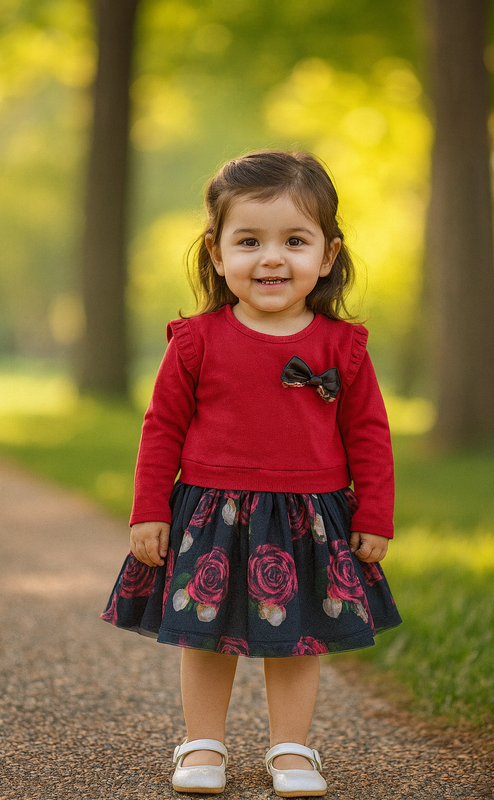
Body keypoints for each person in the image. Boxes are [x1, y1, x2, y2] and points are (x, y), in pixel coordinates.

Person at [101, 150, 401, 797]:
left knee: (298, 639)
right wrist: (149, 509)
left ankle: (291, 750)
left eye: (294, 240)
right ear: (216, 253)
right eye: (248, 241)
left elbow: (368, 436)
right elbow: (162, 429)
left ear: (326, 255)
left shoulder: (340, 346)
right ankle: (202, 743)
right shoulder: (196, 341)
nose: (271, 258)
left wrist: (374, 514)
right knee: (205, 635)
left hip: (308, 517)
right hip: (212, 511)